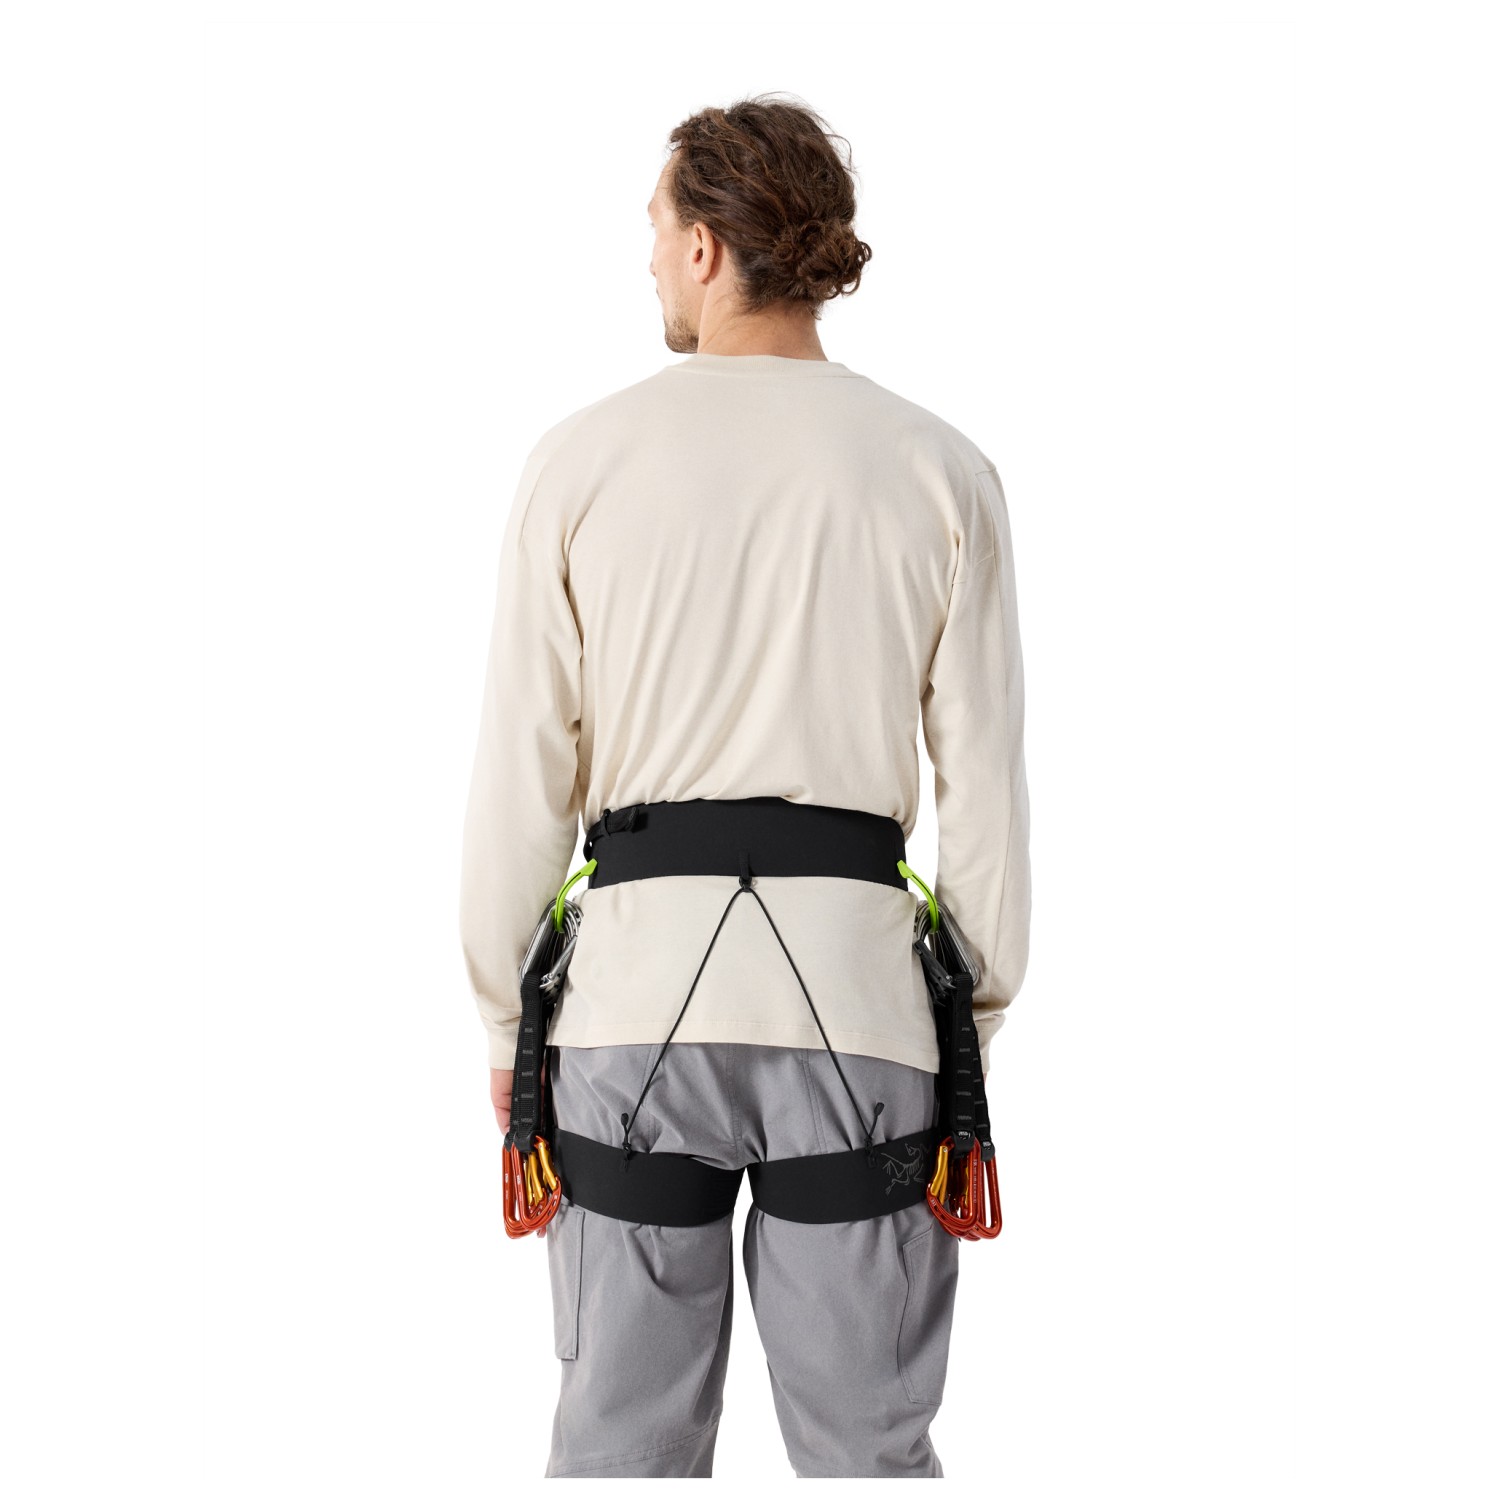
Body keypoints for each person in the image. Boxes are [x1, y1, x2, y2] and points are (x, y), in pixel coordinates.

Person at [459, 93, 1031, 1479]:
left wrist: (507, 1034)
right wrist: (965, 1035)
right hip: (861, 1016)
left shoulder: (581, 463)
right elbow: (988, 791)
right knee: (869, 1450)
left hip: (628, 1016)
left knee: (621, 1449)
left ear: (709, 247)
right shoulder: (940, 470)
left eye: (658, 229)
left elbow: (523, 773)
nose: (650, 258)